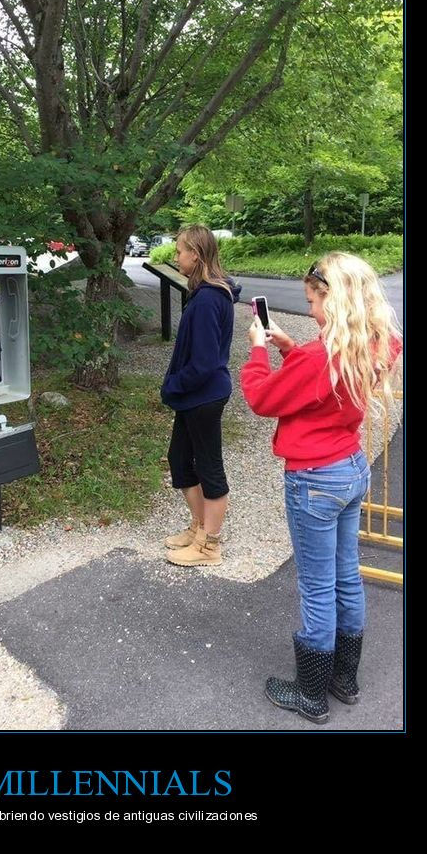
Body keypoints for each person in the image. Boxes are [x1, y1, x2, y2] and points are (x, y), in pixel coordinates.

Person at [240, 252, 402, 723]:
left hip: (314, 478)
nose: (309, 309)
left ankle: (310, 693)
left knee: (316, 586)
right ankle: (344, 680)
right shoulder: (377, 342)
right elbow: (325, 388)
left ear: (333, 298)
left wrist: (257, 349)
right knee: (346, 574)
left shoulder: (319, 357)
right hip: (352, 467)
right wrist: (292, 349)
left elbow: (262, 399)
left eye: (313, 300)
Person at [161, 225, 241, 566]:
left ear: (196, 254)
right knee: (180, 461)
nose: (176, 256)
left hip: (204, 396)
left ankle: (210, 546)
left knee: (209, 468)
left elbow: (206, 363)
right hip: (195, 395)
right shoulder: (204, 293)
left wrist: (173, 385)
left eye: (180, 250)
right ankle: (198, 528)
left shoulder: (209, 299)